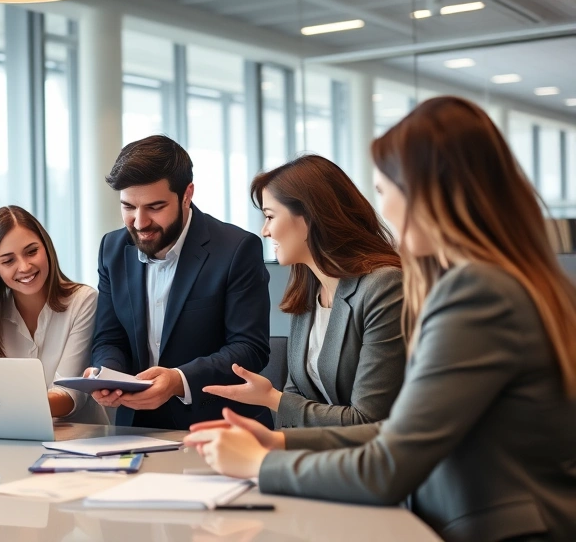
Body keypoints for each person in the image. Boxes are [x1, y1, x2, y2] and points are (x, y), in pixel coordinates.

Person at [185, 96, 576, 542]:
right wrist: (283, 441)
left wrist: (259, 464)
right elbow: (402, 431)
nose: (384, 210)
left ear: (428, 193)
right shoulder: (506, 281)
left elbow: (388, 465)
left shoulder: (477, 293)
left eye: (385, 191)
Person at [202, 154, 405, 428]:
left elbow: (368, 420)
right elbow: (297, 394)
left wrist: (272, 400)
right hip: (316, 458)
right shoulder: (307, 291)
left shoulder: (384, 286)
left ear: (308, 217)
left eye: (270, 217)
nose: (265, 231)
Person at [87, 134, 272, 430]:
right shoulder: (112, 249)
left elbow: (250, 348)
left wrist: (178, 380)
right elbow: (109, 338)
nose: (140, 221)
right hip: (135, 428)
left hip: (218, 427)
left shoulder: (236, 249)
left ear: (187, 194)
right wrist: (108, 375)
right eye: (128, 207)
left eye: (155, 207)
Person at [0, 206, 107, 424]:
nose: (24, 266)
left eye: (32, 251)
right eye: (8, 261)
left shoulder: (83, 300)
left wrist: (6, 405)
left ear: (46, 248)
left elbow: (69, 396)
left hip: (79, 441)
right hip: (13, 440)